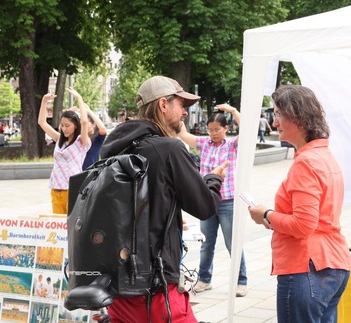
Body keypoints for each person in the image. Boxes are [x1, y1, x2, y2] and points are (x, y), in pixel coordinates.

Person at [101, 75, 228, 322]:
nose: (184, 113)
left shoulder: (116, 148)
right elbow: (205, 206)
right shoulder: (169, 149)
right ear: (162, 105)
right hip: (155, 287)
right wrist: (213, 179)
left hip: (116, 287)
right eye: (181, 105)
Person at [247, 85, 351, 322]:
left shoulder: (306, 162)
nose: (275, 123)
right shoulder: (324, 155)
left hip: (307, 266)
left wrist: (266, 215)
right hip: (331, 262)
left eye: (279, 114)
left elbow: (304, 225)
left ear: (299, 117)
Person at [179, 104, 248, 297]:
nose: (213, 133)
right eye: (210, 130)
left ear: (226, 129)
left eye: (217, 129)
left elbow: (248, 131)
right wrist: (182, 111)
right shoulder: (204, 144)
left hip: (227, 201)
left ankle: (241, 281)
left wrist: (234, 111)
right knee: (206, 243)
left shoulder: (232, 145)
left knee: (232, 243)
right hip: (208, 201)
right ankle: (204, 279)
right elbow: (183, 135)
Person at [38, 87, 91, 214]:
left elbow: (84, 122)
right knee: (57, 225)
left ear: (75, 126)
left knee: (69, 225)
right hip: (56, 187)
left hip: (72, 188)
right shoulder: (59, 139)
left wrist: (79, 99)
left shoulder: (81, 142)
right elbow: (42, 122)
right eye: (62, 125)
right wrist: (44, 101)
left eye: (68, 126)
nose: (64, 129)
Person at [66, 105, 107, 170]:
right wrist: (67, 114)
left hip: (92, 174)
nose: (83, 126)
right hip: (77, 173)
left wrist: (89, 111)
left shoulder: (97, 140)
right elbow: (63, 131)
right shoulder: (77, 139)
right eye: (81, 123)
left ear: (93, 124)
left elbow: (103, 129)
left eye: (86, 123)